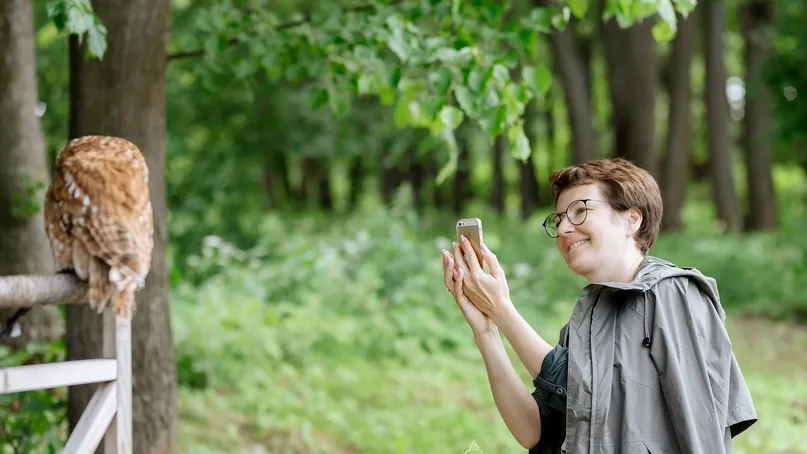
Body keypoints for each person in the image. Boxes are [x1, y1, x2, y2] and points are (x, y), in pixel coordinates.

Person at [441, 158, 757, 453]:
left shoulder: (674, 293)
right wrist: (487, 330)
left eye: (580, 211)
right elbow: (535, 430)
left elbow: (699, 429)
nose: (564, 229)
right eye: (559, 219)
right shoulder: (585, 322)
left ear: (631, 219)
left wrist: (504, 312)